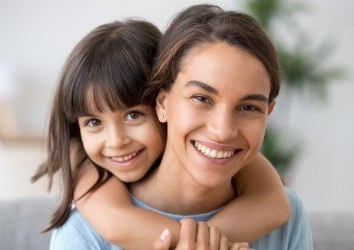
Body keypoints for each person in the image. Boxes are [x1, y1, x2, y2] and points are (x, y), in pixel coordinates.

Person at [32, 17, 291, 250]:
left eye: (134, 115)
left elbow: (276, 204)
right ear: (163, 103)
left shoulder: (276, 202)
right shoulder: (85, 228)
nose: (116, 141)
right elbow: (114, 225)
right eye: (201, 98)